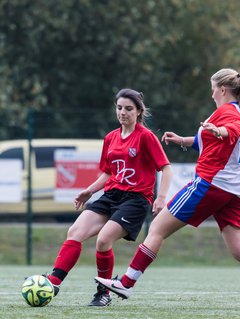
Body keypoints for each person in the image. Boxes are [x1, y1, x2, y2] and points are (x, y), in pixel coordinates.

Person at [95, 68, 240, 300]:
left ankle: (126, 282)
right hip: (231, 190)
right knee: (237, 249)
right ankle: (126, 282)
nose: (211, 93)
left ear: (222, 89)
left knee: (157, 229)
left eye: (213, 88)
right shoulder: (229, 111)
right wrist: (182, 140)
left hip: (210, 184)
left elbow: (233, 129)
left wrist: (221, 130)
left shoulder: (228, 113)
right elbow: (211, 143)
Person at [45, 88, 172, 306]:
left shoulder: (146, 137)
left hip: (136, 199)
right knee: (75, 232)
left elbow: (166, 168)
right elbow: (108, 172)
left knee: (103, 240)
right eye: (119, 107)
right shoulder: (111, 138)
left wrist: (160, 198)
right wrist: (90, 191)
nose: (123, 112)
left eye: (129, 109)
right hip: (111, 195)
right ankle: (53, 283)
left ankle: (103, 293)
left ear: (139, 111)